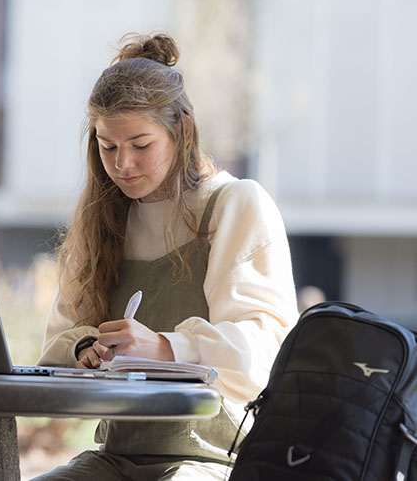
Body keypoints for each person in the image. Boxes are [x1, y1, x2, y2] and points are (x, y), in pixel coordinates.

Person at [32, 33, 299, 480]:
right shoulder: (103, 222)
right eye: (107, 146)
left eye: (140, 145)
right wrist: (83, 350)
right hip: (114, 457)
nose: (122, 165)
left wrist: (164, 348)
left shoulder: (235, 205)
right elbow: (52, 354)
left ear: (183, 130)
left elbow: (265, 353)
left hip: (214, 459)